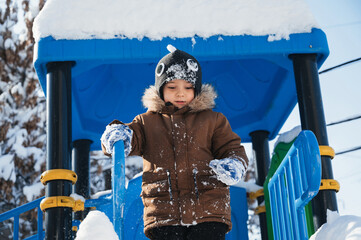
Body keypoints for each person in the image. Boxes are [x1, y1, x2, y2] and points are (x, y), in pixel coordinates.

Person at [101, 45, 249, 240]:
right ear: (161, 89)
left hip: (208, 208)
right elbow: (130, 137)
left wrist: (233, 164)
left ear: (196, 90)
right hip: (163, 212)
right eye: (172, 87)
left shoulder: (213, 120)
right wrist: (119, 136)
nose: (180, 94)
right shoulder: (147, 122)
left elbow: (231, 148)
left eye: (188, 88)